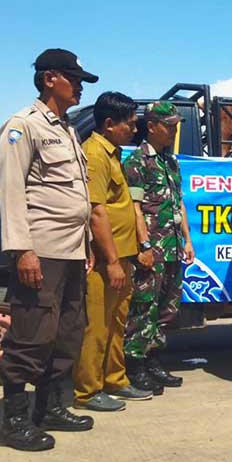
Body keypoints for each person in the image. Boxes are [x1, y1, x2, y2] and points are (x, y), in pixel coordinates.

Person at [0, 48, 98, 451]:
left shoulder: (68, 129)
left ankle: (51, 407)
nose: (79, 89)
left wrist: (86, 244)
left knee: (68, 331)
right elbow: (12, 191)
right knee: (31, 333)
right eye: (74, 80)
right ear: (50, 78)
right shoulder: (24, 126)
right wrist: (22, 250)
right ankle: (13, 422)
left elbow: (77, 194)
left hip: (72, 251)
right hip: (42, 249)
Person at [72, 92, 153, 412]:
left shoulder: (114, 153)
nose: (135, 129)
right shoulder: (95, 154)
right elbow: (96, 211)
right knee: (97, 324)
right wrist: (112, 261)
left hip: (124, 255)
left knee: (117, 322)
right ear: (109, 124)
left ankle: (115, 379)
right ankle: (88, 391)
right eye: (130, 124)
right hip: (107, 259)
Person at [122, 101, 195, 392]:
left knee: (167, 309)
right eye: (169, 125)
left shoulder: (171, 161)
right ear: (151, 126)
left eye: (176, 125)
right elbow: (134, 209)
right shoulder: (137, 162)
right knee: (144, 308)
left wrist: (188, 240)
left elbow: (179, 204)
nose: (174, 130)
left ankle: (154, 362)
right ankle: (135, 366)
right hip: (152, 249)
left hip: (174, 246)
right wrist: (143, 246)